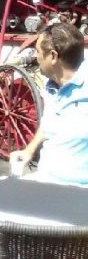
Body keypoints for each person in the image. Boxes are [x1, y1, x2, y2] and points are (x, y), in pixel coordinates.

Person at [9, 22, 88, 186]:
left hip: (78, 193)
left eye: (38, 51)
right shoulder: (52, 85)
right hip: (45, 181)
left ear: (53, 56)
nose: (35, 57)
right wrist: (29, 150)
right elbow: (49, 122)